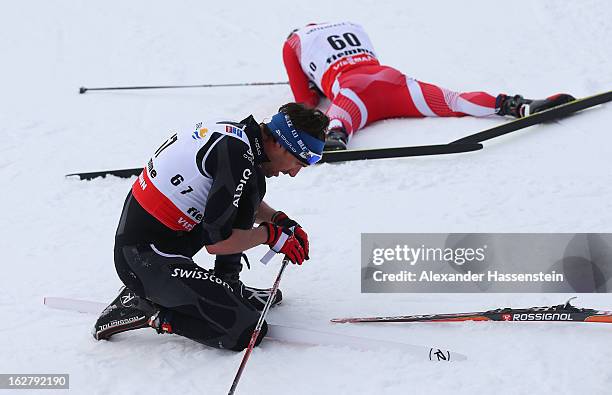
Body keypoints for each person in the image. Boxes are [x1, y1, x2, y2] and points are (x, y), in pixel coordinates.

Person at [92, 103, 329, 351]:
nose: (293, 173)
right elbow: (217, 244)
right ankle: (144, 307)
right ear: (280, 143)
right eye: (299, 162)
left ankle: (229, 283)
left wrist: (278, 220)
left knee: (254, 182)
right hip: (143, 259)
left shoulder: (240, 141)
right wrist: (271, 235)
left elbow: (234, 195)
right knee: (246, 331)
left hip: (168, 239)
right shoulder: (237, 156)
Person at [282, 21, 575, 150]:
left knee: (340, 112)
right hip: (392, 80)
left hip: (353, 90)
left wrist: (316, 86)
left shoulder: (294, 41)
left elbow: (304, 104)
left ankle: (335, 135)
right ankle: (519, 105)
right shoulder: (351, 25)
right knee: (455, 100)